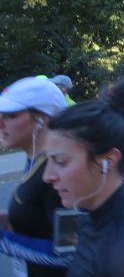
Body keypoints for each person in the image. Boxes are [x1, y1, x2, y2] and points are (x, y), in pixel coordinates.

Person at [42, 78, 124, 276]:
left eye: (60, 161)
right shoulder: (88, 213)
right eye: (48, 161)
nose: (47, 176)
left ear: (108, 160)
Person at [0, 77, 67, 277]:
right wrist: (9, 219)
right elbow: (40, 221)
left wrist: (4, 240)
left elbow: (68, 254)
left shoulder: (57, 174)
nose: (0, 123)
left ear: (42, 120)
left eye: (10, 115)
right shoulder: (34, 160)